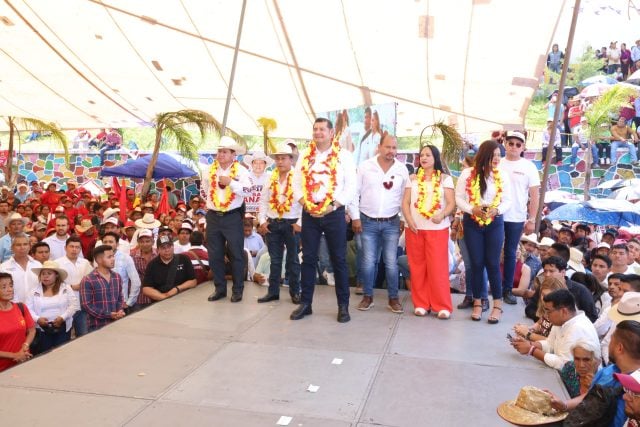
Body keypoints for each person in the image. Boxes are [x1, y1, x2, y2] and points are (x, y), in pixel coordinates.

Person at [291, 117, 357, 323]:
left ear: (331, 133)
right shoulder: (304, 155)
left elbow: (351, 186)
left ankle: (343, 306)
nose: (318, 132)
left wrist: (333, 206)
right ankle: (306, 304)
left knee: (338, 260)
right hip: (309, 213)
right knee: (308, 259)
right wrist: (306, 204)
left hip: (334, 212)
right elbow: (296, 184)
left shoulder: (344, 156)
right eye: (315, 129)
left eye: (322, 129)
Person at [350, 134, 409, 313]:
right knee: (368, 262)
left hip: (392, 222)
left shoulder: (402, 169)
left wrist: (403, 219)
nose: (391, 151)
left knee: (391, 262)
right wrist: (355, 217)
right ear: (379, 146)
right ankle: (368, 297)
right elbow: (354, 192)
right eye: (388, 147)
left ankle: (393, 298)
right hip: (367, 221)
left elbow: (406, 197)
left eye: (394, 148)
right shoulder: (365, 166)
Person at [455, 140, 512, 324]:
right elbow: (459, 198)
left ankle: (497, 305)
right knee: (477, 263)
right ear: (484, 155)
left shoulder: (502, 175)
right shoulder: (467, 174)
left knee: (493, 263)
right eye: (493, 155)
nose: (497, 159)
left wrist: (498, 210)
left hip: (494, 222)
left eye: (498, 155)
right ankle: (478, 302)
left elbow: (508, 200)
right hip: (472, 222)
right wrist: (472, 209)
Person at [549, 319, 640, 427]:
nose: (626, 397)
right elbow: (590, 397)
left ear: (619, 348)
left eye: (611, 340)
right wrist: (564, 405)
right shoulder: (610, 370)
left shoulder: (636, 386)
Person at [401, 143, 452, 318]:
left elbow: (451, 203)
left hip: (437, 229)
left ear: (435, 158)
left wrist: (443, 214)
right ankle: (421, 303)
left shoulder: (445, 179)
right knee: (417, 267)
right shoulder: (412, 178)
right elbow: (405, 202)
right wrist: (408, 220)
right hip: (414, 229)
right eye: (421, 155)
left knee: (437, 267)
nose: (423, 158)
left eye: (428, 155)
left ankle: (442, 305)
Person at [203, 136, 251, 303]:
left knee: (236, 254)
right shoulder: (209, 170)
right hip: (213, 216)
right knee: (214, 254)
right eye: (219, 151)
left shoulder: (242, 171)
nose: (221, 154)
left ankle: (237, 290)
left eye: (225, 152)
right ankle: (220, 288)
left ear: (233, 155)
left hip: (232, 216)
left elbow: (248, 191)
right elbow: (205, 189)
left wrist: (231, 182)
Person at [256, 142, 302, 304]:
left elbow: (306, 202)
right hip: (273, 223)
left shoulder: (299, 177)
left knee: (293, 260)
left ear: (291, 160)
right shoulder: (270, 177)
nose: (280, 161)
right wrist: (262, 221)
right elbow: (263, 201)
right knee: (274, 260)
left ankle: (295, 292)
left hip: (292, 223)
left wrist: (300, 223)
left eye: (283, 158)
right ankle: (273, 292)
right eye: (278, 159)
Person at [511, 289, 600, 371]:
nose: (546, 315)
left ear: (563, 311)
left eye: (549, 311)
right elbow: (550, 344)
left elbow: (564, 364)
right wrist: (528, 344)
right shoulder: (562, 321)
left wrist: (531, 350)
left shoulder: (578, 328)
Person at [500, 131, 540, 304]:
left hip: (516, 216)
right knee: (492, 252)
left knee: (510, 253)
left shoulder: (529, 166)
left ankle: (507, 289)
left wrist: (532, 219)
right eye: (511, 143)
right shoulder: (497, 163)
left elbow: (534, 195)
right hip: (496, 214)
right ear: (505, 144)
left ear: (523, 147)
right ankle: (492, 287)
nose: (514, 147)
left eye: (518, 144)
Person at [26, 261, 78, 354]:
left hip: (63, 328)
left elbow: (73, 305)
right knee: (44, 354)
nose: (45, 276)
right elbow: (28, 309)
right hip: (42, 330)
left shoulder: (65, 288)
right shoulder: (33, 291)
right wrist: (38, 319)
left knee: (63, 354)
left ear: (56, 275)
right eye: (43, 274)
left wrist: (63, 317)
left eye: (49, 273)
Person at [79, 245, 125, 332]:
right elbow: (86, 305)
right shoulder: (88, 280)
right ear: (99, 260)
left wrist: (120, 310)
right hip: (97, 326)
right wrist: (108, 314)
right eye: (109, 257)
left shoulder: (117, 277)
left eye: (113, 256)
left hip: (116, 324)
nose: (113, 259)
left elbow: (120, 298)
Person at [55, 236, 93, 337]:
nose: (74, 249)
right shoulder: (57, 263)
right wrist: (71, 287)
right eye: (71, 246)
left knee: (84, 335)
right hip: (65, 306)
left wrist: (84, 285)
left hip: (82, 305)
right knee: (64, 337)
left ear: (80, 249)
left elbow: (92, 280)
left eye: (77, 247)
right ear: (65, 248)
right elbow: (54, 283)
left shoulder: (85, 263)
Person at [141, 235, 197, 301]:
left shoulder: (184, 259)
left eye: (169, 247)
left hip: (183, 299)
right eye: (163, 248)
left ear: (173, 246)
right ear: (158, 249)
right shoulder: (152, 264)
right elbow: (146, 289)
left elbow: (193, 281)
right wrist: (163, 297)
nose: (167, 250)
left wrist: (177, 289)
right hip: (161, 303)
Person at [0, 272, 35, 372]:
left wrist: (25, 346)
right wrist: (15, 355)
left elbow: (32, 330)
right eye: (4, 287)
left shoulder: (21, 307)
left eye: (11, 285)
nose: (10, 289)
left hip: (23, 363)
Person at [101, 232, 140, 313]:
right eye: (105, 242)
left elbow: (136, 282)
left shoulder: (126, 258)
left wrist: (129, 302)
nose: (108, 244)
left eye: (111, 242)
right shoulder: (98, 258)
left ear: (117, 244)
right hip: (102, 305)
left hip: (120, 305)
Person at [0, 234, 40, 304]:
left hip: (36, 308)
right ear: (12, 248)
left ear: (29, 247)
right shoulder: (3, 267)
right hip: (13, 308)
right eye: (18, 245)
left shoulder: (38, 265)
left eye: (25, 244)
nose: (22, 247)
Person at [130, 229, 156, 308]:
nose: (145, 244)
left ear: (153, 242)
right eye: (142, 242)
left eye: (147, 241)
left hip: (156, 295)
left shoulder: (159, 254)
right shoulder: (132, 256)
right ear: (138, 242)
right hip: (138, 298)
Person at [243, 151, 273, 215]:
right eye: (255, 163)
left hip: (265, 213)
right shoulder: (244, 177)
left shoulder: (271, 178)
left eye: (261, 163)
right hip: (247, 212)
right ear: (251, 164)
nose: (258, 165)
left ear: (265, 165)